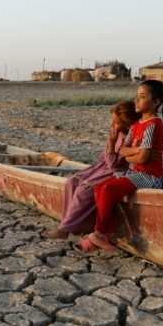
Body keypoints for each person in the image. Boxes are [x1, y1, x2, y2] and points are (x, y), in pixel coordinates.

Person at [79, 79, 163, 252]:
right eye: (136, 96)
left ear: (156, 102)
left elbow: (143, 159)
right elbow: (121, 150)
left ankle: (99, 233)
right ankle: (106, 232)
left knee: (108, 190)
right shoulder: (137, 125)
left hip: (150, 177)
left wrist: (133, 154)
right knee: (99, 188)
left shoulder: (153, 124)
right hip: (134, 174)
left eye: (142, 97)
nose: (136, 100)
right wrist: (135, 153)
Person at [45, 100, 138, 239]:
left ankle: (65, 229)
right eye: (112, 121)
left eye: (116, 122)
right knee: (71, 181)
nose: (112, 125)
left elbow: (114, 165)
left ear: (127, 123)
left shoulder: (130, 139)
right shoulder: (116, 134)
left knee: (84, 189)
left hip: (114, 171)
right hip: (100, 167)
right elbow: (104, 158)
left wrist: (111, 144)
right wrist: (111, 143)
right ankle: (69, 224)